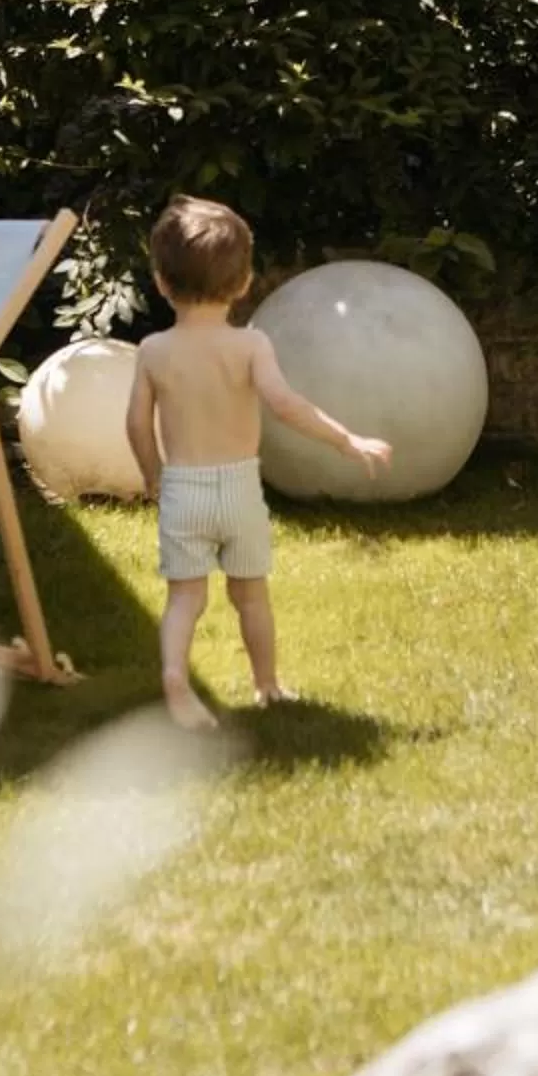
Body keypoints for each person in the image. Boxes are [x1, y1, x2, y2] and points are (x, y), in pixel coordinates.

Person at [124, 196, 390, 730]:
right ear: (244, 282)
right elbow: (286, 405)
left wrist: (153, 474)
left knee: (185, 597)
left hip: (183, 488)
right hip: (239, 490)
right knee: (250, 597)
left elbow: (136, 424)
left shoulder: (153, 350)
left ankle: (176, 675)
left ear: (161, 282)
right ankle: (267, 685)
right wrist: (345, 439)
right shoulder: (249, 345)